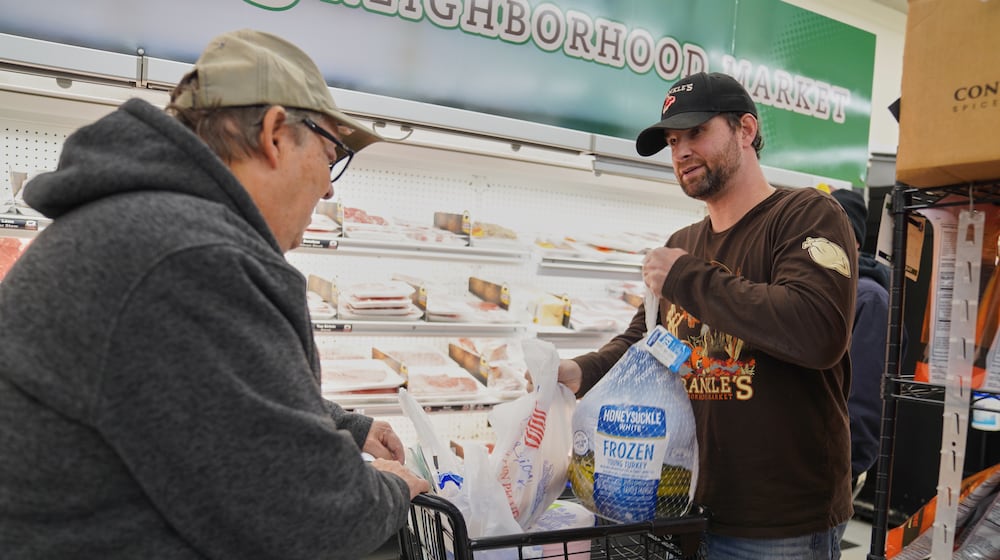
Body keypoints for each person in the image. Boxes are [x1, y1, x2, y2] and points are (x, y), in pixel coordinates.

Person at [0, 29, 429, 559]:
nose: (329, 187)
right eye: (331, 152)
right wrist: (392, 487)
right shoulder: (189, 257)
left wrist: (343, 426)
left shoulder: (150, 227)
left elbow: (199, 395)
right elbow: (307, 516)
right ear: (275, 133)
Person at [557, 72, 857, 559]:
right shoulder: (684, 244)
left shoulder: (807, 215)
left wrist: (686, 279)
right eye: (673, 141)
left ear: (745, 130)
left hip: (778, 522)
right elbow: (644, 341)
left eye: (696, 133)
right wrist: (577, 372)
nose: (680, 152)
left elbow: (816, 329)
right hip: (684, 509)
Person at [830, 187, 893, 494]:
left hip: (823, 480)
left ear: (853, 239)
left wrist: (840, 471)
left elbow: (866, 399)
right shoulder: (812, 291)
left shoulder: (869, 299)